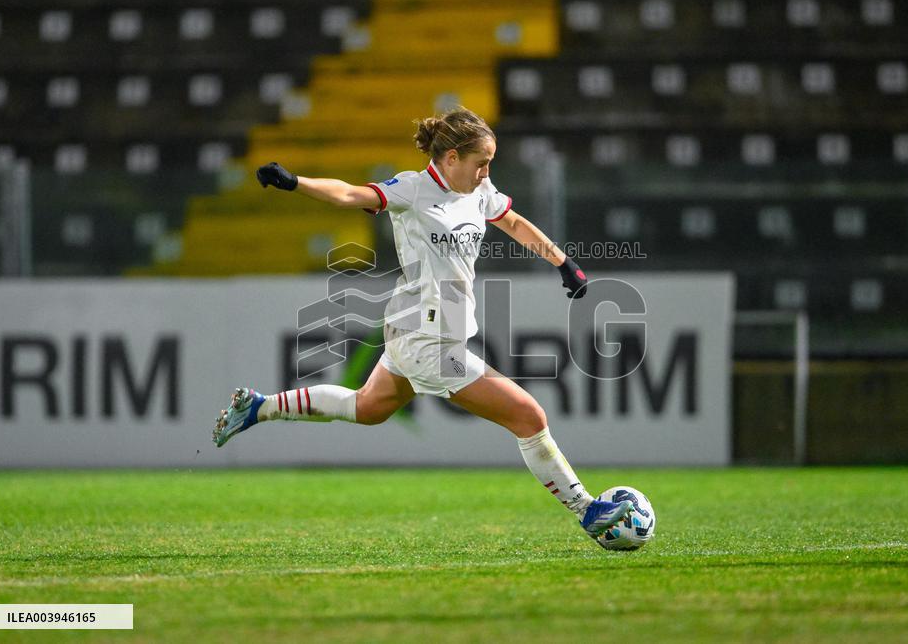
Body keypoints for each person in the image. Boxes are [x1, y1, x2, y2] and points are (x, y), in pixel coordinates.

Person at [211, 107, 635, 539]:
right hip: (426, 341)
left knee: (368, 408)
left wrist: (563, 262)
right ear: (451, 158)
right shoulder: (412, 190)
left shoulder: (478, 189)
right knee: (528, 416)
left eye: (490, 163)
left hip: (421, 329)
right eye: (480, 163)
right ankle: (587, 509)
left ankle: (259, 407)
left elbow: (511, 220)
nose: (486, 171)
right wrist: (296, 182)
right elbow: (349, 194)